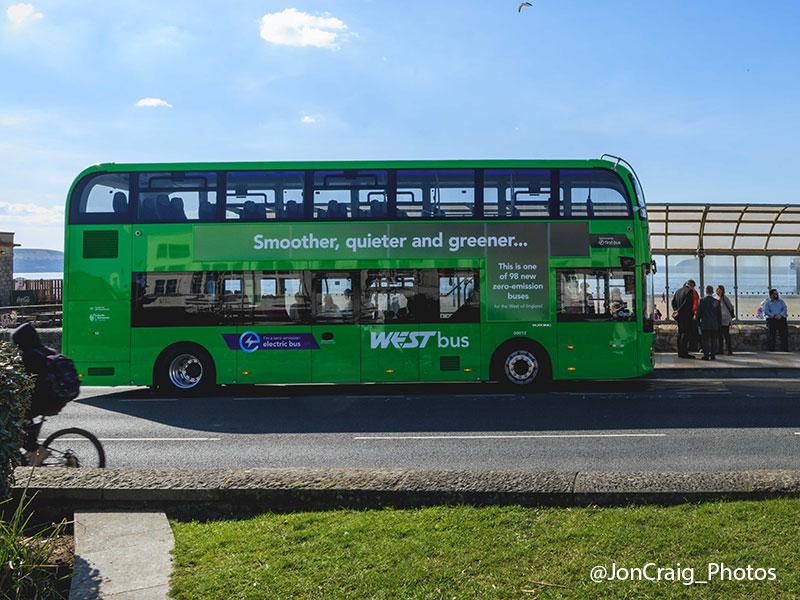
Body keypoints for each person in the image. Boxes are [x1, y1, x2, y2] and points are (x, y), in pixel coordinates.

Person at [671, 279, 697, 358]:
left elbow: (673, 302)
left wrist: (676, 310)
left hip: (679, 317)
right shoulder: (689, 291)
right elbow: (687, 304)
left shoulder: (678, 291)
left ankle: (680, 352)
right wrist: (679, 311)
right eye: (693, 286)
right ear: (691, 285)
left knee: (680, 334)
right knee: (685, 334)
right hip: (686, 316)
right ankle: (684, 352)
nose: (693, 288)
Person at [697, 285, 721, 360]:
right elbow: (719, 315)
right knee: (714, 340)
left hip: (705, 324)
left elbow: (699, 314)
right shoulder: (716, 301)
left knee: (705, 341)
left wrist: (698, 323)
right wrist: (719, 324)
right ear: (712, 291)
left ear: (706, 291)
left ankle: (706, 355)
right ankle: (713, 355)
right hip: (714, 324)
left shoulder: (702, 301)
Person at [716, 285, 735, 355]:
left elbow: (730, 306)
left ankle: (729, 350)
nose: (718, 290)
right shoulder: (716, 297)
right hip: (719, 319)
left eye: (719, 289)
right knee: (719, 335)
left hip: (725, 319)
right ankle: (720, 350)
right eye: (717, 289)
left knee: (726, 335)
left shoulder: (724, 298)